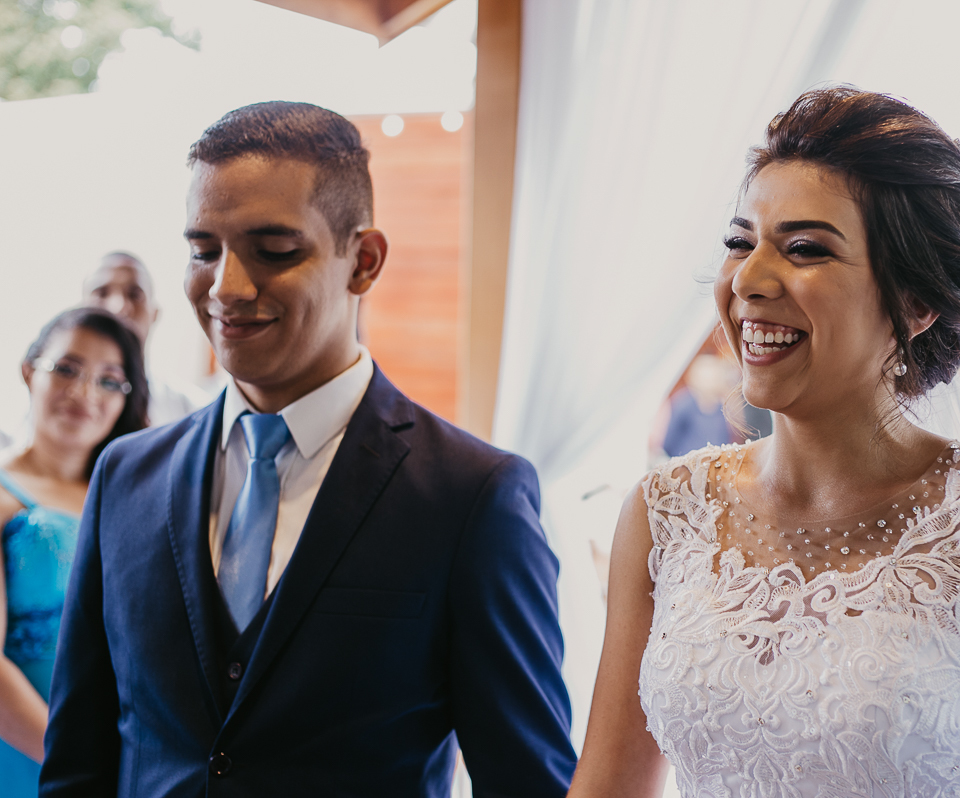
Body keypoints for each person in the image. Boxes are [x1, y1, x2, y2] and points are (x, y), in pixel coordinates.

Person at [567, 88, 960, 797]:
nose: (748, 280)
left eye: (804, 249)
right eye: (741, 242)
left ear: (915, 301)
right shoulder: (666, 513)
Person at [41, 102, 576, 796]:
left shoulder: (471, 496)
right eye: (204, 250)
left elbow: (526, 782)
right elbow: (77, 763)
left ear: (364, 261)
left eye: (274, 250)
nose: (226, 288)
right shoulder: (126, 475)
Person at [0, 308, 147, 795]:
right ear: (29, 371)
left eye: (109, 380)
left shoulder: (139, 499)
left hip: (127, 755)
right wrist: (78, 765)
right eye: (66, 368)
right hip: (27, 754)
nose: (84, 393)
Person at [82, 251, 210, 426]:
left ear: (154, 314)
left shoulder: (194, 412)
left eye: (134, 294)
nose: (118, 307)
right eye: (101, 293)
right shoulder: (51, 404)